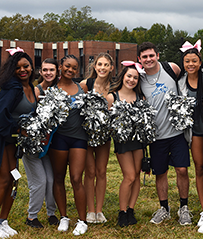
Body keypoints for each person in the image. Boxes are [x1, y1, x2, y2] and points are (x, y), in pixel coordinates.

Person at [0, 48, 36, 238]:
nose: (22, 70)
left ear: (31, 67)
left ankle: (3, 221)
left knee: (14, 178)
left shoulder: (31, 88)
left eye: (25, 66)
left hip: (12, 142)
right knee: (3, 180)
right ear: (12, 71)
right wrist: (18, 129)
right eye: (17, 68)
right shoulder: (13, 88)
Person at [137, 42, 192, 225]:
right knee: (160, 173)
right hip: (156, 136)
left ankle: (184, 207)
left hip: (177, 133)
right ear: (140, 60)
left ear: (158, 55)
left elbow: (190, 83)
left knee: (182, 169)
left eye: (151, 55)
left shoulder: (172, 69)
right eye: (144, 57)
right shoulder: (140, 79)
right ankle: (164, 208)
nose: (148, 59)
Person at [176, 40, 203, 230]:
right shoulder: (181, 83)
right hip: (195, 132)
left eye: (194, 61)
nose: (191, 64)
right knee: (199, 169)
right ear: (183, 64)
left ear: (200, 62)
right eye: (187, 62)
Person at [48, 55, 88, 236]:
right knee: (58, 177)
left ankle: (82, 220)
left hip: (79, 138)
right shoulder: (52, 88)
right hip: (59, 138)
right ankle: (64, 217)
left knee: (76, 178)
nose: (70, 70)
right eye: (67, 66)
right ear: (60, 67)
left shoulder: (82, 87)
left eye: (74, 68)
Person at [106, 61, 146, 227]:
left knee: (136, 175)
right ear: (123, 77)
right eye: (129, 76)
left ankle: (131, 209)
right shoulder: (112, 97)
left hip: (138, 141)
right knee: (129, 176)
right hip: (122, 141)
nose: (131, 80)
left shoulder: (140, 97)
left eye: (135, 78)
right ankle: (122, 212)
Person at [22, 58, 59, 228]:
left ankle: (51, 213)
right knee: (39, 181)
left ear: (56, 71)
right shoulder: (35, 91)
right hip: (32, 144)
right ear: (40, 72)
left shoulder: (58, 91)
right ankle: (32, 217)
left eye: (51, 69)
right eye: (45, 70)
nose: (48, 73)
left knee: (51, 180)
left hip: (47, 145)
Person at [79, 53, 114, 224]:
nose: (102, 68)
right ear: (94, 66)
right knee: (90, 172)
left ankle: (99, 211)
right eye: (100, 64)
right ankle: (90, 211)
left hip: (104, 137)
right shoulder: (86, 85)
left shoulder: (114, 87)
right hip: (86, 136)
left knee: (101, 172)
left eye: (106, 65)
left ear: (111, 68)